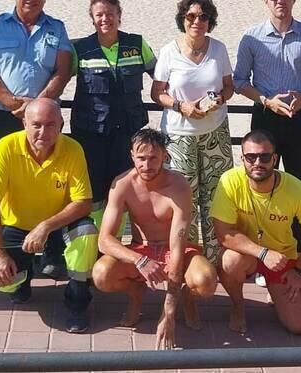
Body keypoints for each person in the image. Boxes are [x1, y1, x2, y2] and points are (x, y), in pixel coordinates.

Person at [233, 0, 301, 266]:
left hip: (300, 118)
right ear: (265, 1)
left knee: (299, 187)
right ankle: (265, 257)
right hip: (265, 119)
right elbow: (239, 81)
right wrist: (265, 100)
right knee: (262, 188)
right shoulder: (251, 37)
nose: (280, 0)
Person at [92, 129, 218, 349]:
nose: (147, 165)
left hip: (175, 247)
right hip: (141, 247)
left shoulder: (178, 186)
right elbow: (104, 240)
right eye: (141, 158)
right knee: (101, 275)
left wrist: (168, 312)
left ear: (165, 156)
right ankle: (135, 294)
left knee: (206, 281)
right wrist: (139, 260)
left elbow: (177, 247)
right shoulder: (122, 184)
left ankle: (187, 298)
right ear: (132, 155)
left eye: (153, 158)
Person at [0, 98, 99, 333]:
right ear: (24, 123)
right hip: (16, 225)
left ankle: (77, 303)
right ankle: (21, 282)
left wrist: (45, 226)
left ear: (61, 125)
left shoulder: (73, 148)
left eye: (50, 125)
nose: (43, 132)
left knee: (86, 232)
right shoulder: (6, 147)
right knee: (0, 280)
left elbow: (83, 203)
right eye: (36, 124)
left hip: (57, 225)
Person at [212, 130, 301, 335]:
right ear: (242, 159)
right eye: (251, 157)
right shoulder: (229, 181)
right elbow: (224, 233)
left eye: (265, 157)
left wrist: (299, 270)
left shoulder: (295, 188)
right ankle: (238, 306)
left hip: (282, 258)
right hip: (249, 254)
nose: (258, 162)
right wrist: (263, 253)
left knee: (300, 326)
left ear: (275, 159)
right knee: (230, 261)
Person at [150, 0, 235, 262]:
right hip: (179, 136)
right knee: (184, 201)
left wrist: (217, 100)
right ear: (182, 19)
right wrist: (181, 106)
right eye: (190, 16)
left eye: (203, 16)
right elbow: (157, 93)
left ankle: (215, 260)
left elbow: (229, 87)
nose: (196, 21)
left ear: (210, 21)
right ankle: (188, 260)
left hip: (215, 133)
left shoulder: (218, 49)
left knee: (216, 198)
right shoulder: (168, 51)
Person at [71, 0, 157, 225]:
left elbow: (161, 77)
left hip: (128, 133)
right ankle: (98, 246)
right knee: (95, 191)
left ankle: (114, 246)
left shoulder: (137, 45)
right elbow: (57, 79)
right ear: (92, 18)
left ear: (120, 15)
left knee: (123, 188)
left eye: (110, 13)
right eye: (99, 15)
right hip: (91, 134)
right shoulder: (80, 49)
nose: (104, 19)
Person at [0, 0, 73, 141]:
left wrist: (37, 105)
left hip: (47, 117)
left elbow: (64, 71)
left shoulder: (57, 28)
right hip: (9, 114)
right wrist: (14, 104)